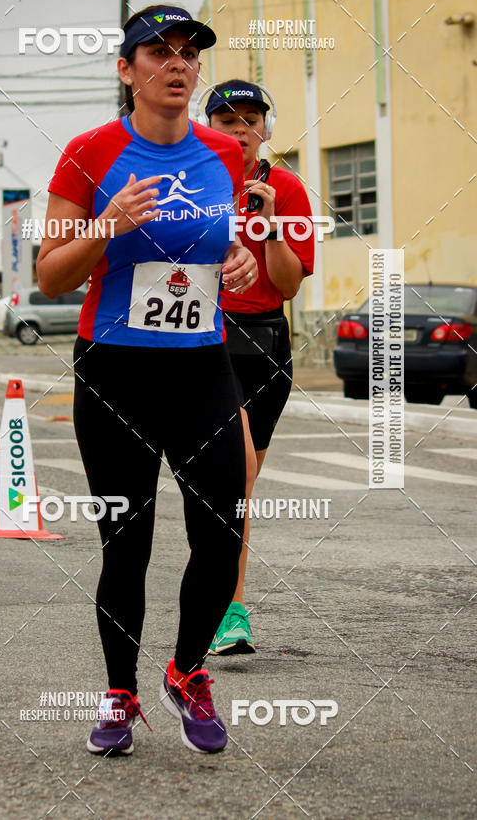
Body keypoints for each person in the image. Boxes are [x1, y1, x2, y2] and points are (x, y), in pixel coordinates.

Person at [37, 8, 258, 755]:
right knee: (125, 541)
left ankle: (188, 671)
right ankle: (119, 694)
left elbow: (234, 253)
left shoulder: (227, 155)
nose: (179, 64)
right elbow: (50, 274)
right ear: (126, 70)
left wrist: (243, 266)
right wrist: (109, 228)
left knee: (223, 530)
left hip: (202, 363)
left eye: (189, 53)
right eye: (158, 52)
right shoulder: (89, 154)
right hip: (116, 370)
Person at [203, 80, 315, 656]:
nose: (240, 131)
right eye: (227, 120)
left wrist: (269, 225)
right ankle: (230, 608)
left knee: (237, 489)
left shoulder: (286, 188)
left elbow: (291, 283)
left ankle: (221, 596)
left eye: (251, 120)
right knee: (236, 474)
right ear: (208, 128)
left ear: (265, 130)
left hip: (266, 342)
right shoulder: (192, 179)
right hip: (202, 338)